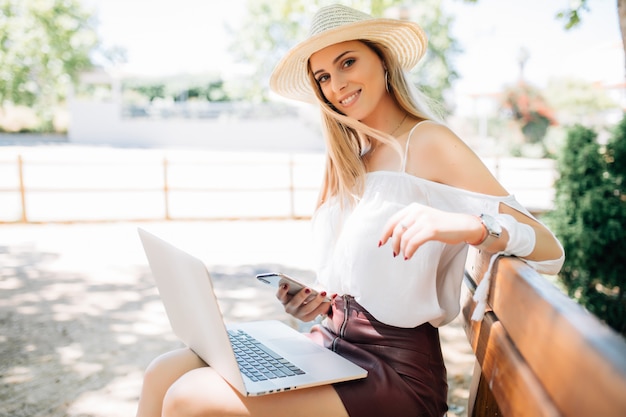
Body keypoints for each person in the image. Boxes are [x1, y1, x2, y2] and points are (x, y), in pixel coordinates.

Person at [135, 4, 564, 417]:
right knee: (164, 372)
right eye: (323, 75)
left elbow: (549, 250)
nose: (336, 84)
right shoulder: (351, 160)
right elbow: (369, 282)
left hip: (395, 374)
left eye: (347, 62)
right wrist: (321, 304)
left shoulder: (427, 141)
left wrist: (468, 226)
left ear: (382, 60)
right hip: (329, 344)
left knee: (191, 398)